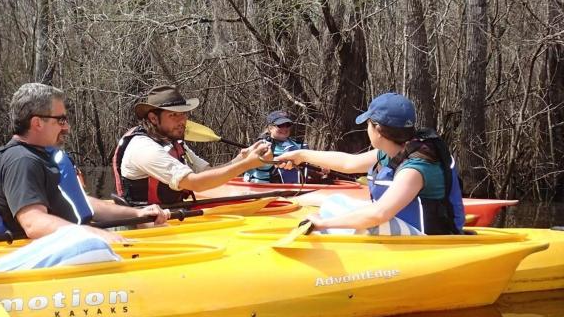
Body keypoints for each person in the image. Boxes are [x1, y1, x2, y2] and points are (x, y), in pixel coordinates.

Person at [0, 83, 168, 241]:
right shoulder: (21, 162)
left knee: (147, 228)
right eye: (60, 120)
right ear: (37, 123)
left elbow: (81, 204)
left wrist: (136, 213)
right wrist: (94, 234)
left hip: (73, 240)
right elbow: (34, 224)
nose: (67, 127)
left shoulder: (38, 156)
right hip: (45, 256)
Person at [276, 92, 465, 235]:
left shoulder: (416, 168)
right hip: (401, 229)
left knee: (360, 222)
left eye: (368, 123)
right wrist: (301, 155)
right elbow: (348, 163)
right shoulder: (392, 151)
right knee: (334, 202)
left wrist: (323, 223)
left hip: (428, 241)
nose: (366, 128)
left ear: (379, 130)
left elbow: (379, 214)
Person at [112, 85, 272, 205]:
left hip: (172, 216)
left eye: (183, 114)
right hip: (145, 226)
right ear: (154, 118)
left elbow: (207, 173)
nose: (182, 121)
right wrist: (246, 165)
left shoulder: (172, 141)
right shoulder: (144, 148)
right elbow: (195, 183)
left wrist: (241, 158)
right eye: (173, 115)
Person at [243, 110, 320, 184]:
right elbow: (249, 165)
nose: (284, 128)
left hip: (294, 190)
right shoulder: (261, 145)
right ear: (270, 128)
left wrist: (319, 169)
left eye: (287, 125)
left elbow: (306, 167)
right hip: (264, 189)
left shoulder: (299, 145)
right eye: (280, 125)